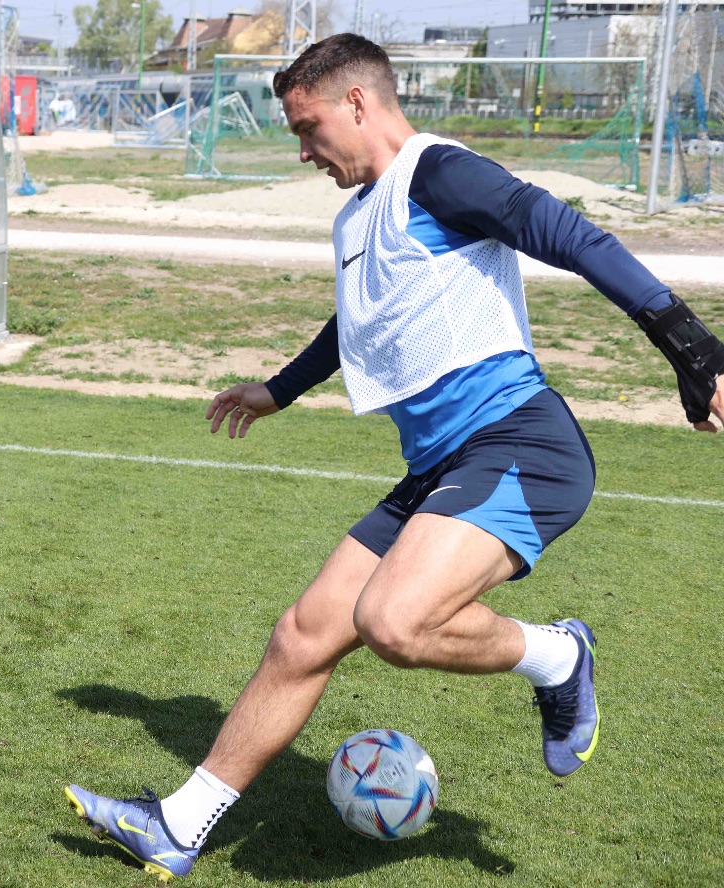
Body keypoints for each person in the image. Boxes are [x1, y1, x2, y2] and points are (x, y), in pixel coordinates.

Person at [65, 33, 724, 880]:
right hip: (439, 469)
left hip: (520, 445)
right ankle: (178, 825)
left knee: (392, 622)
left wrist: (692, 349)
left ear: (357, 102)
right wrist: (279, 390)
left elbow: (570, 235)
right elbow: (357, 317)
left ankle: (559, 656)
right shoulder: (358, 215)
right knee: (303, 635)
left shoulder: (439, 173)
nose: (303, 151)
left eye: (307, 128)